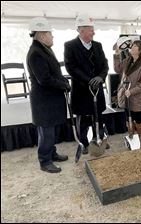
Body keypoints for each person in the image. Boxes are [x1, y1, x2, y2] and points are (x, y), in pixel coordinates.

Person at [26, 17, 70, 173]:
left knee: (50, 131)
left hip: (50, 99)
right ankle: (45, 161)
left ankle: (51, 153)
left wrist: (63, 80)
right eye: (50, 34)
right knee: (46, 131)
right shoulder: (36, 53)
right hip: (44, 101)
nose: (53, 37)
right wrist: (63, 84)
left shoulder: (43, 49)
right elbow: (44, 79)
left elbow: (54, 72)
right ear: (43, 35)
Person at [64, 14, 109, 154]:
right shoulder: (70, 46)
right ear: (81, 30)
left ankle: (99, 139)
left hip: (97, 89)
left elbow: (105, 64)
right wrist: (89, 80)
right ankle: (83, 143)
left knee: (98, 116)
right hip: (82, 89)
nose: (93, 32)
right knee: (82, 118)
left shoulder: (98, 45)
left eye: (93, 29)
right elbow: (71, 67)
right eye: (91, 30)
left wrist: (101, 77)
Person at [114, 39, 141, 145]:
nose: (131, 47)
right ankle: (131, 134)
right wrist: (117, 55)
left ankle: (140, 136)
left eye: (134, 46)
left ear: (140, 50)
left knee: (138, 118)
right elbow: (117, 69)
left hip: (136, 96)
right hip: (125, 94)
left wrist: (131, 91)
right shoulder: (128, 60)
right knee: (127, 116)